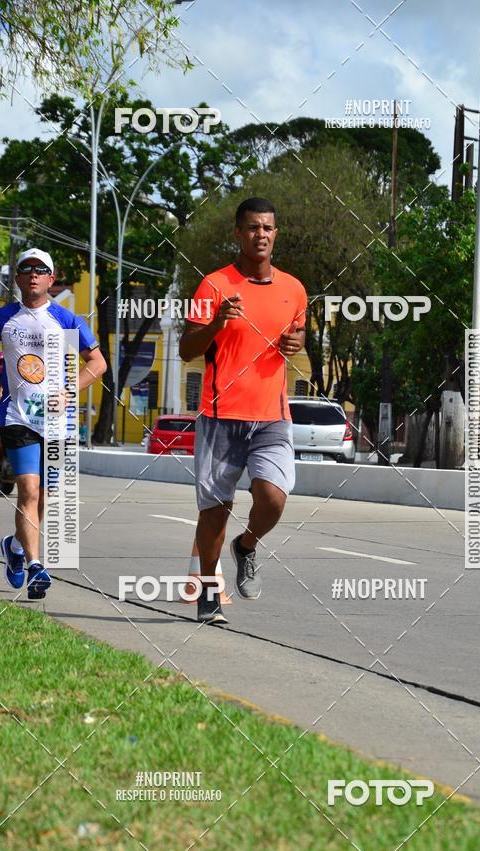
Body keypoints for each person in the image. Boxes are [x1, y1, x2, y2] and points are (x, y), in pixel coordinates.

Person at [180, 198, 307, 625]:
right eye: (253, 228)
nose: (261, 235)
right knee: (215, 508)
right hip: (221, 416)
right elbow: (185, 350)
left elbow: (296, 338)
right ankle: (208, 593)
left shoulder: (294, 289)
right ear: (238, 233)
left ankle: (247, 545)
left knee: (273, 498)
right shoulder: (213, 285)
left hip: (272, 415)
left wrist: (297, 345)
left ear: (276, 233)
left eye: (268, 228)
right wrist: (217, 323)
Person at [0, 248, 106, 599]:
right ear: (17, 278)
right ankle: (36, 565)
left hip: (58, 424)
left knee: (44, 497)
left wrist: (68, 391)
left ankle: (14, 547)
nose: (33, 274)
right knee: (28, 492)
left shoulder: (67, 320)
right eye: (25, 269)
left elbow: (97, 363)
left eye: (40, 270)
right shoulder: (4, 319)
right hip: (19, 419)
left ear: (51, 278)